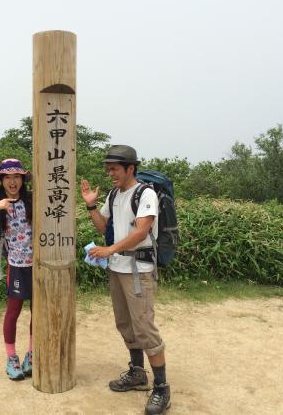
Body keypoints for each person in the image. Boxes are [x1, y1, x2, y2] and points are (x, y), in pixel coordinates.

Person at [80, 145, 171, 415]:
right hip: (117, 268)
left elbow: (142, 231)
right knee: (125, 323)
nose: (111, 174)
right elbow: (103, 227)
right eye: (108, 169)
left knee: (144, 327)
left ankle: (162, 388)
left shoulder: (145, 194)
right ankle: (137, 373)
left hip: (138, 269)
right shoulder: (114, 195)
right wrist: (91, 205)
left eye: (115, 169)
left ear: (131, 168)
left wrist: (110, 249)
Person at [0, 158, 33, 381]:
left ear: (23, 179)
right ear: (1, 180)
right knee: (13, 312)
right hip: (16, 265)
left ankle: (32, 354)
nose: (12, 182)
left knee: (38, 312)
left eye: (17, 177)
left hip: (40, 265)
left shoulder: (32, 200)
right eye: (8, 177)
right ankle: (11, 357)